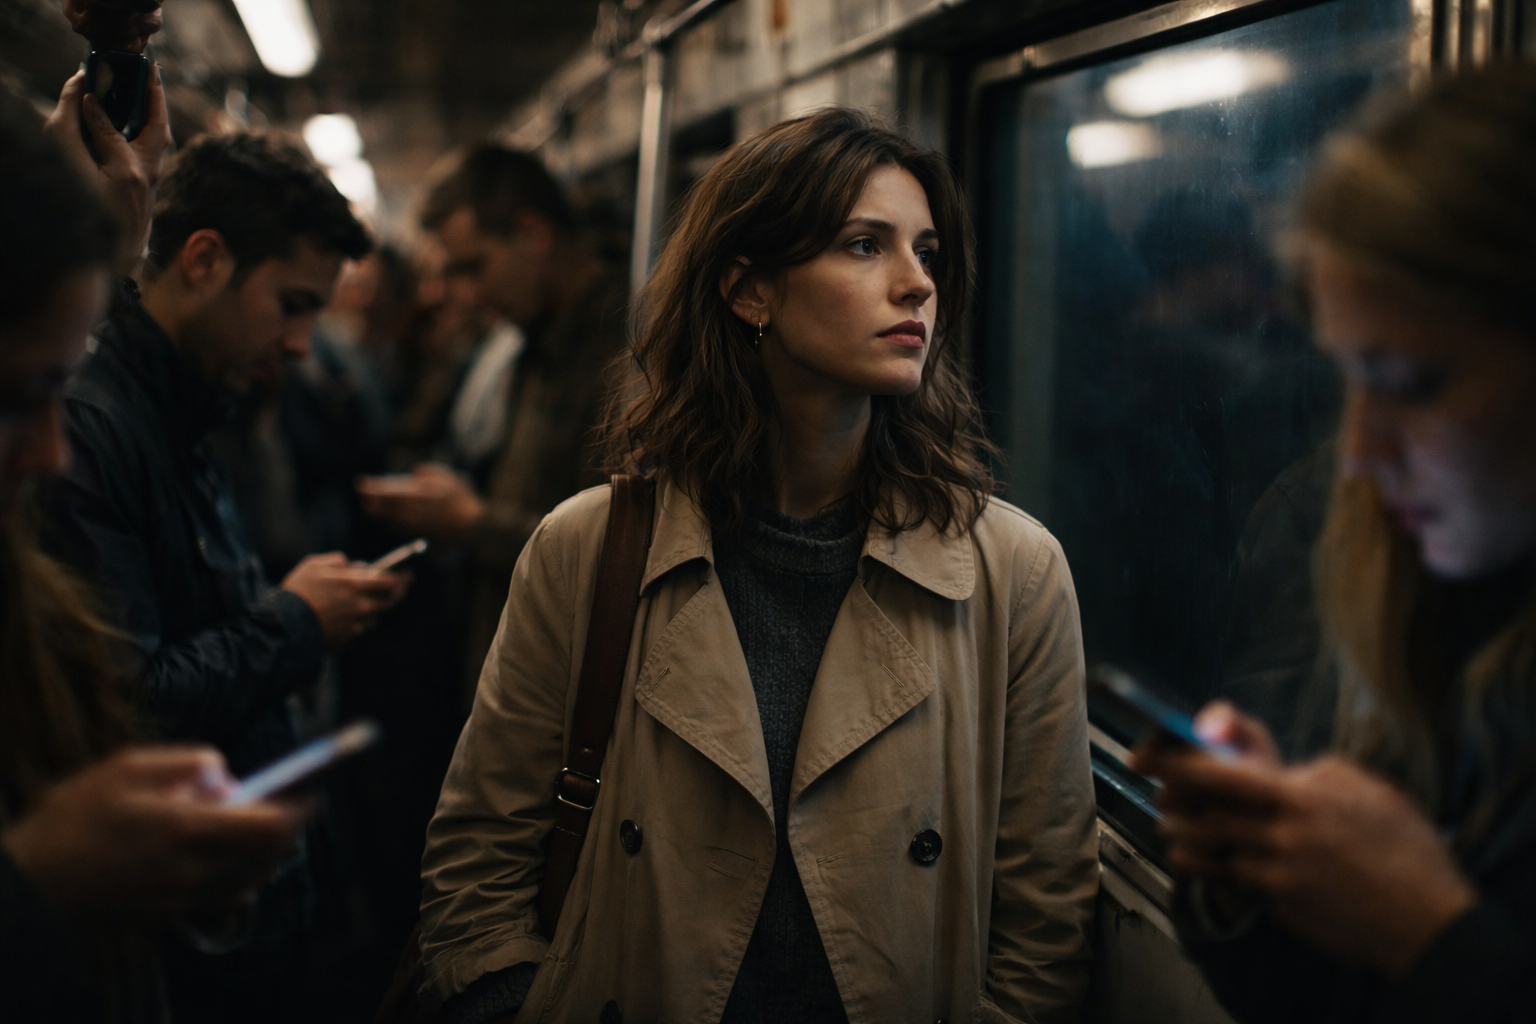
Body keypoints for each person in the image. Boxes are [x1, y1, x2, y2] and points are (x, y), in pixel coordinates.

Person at [417, 108, 1099, 1024]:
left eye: (927, 252)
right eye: (865, 246)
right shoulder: (588, 548)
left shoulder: (1014, 571)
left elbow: (1045, 909)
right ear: (750, 292)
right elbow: (478, 858)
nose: (915, 285)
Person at [1134, 65, 1536, 1024]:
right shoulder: (1432, 614)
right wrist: (1255, 874)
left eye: (1417, 381)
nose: (1357, 452)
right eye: (1350, 379)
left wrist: (1427, 934)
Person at [39, 127, 409, 1021]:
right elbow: (126, 699)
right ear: (203, 261)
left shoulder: (189, 407)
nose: (299, 344)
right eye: (291, 304)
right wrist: (294, 623)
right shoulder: (98, 431)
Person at [0, 86, 308, 1022]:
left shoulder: (23, 586)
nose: (53, 450)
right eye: (17, 397)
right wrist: (35, 888)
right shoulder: (118, 431)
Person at [357, 145, 631, 694]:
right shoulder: (532, 339)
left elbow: (623, 554)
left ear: (533, 233)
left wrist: (472, 522)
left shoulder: (628, 350)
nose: (468, 294)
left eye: (474, 266)